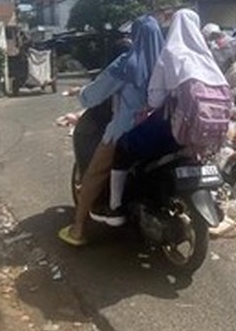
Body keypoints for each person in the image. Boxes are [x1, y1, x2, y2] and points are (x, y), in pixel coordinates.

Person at [92, 9, 231, 226]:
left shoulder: (172, 53)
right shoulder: (207, 58)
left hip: (173, 131)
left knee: (123, 147)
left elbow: (155, 98)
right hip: (205, 135)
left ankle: (115, 207)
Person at [58, 16, 162, 246]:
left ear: (134, 36)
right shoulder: (167, 62)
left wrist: (81, 94)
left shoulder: (127, 63)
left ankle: (77, 230)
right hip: (159, 131)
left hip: (124, 131)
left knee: (93, 176)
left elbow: (95, 94)